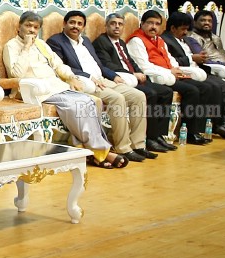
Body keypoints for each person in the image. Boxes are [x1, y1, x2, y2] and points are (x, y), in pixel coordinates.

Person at [2, 11, 126, 169]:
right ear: (19, 27)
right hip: (35, 91)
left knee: (89, 100)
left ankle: (87, 151)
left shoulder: (41, 44)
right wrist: (26, 47)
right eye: (28, 26)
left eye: (35, 27)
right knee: (77, 106)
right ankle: (101, 151)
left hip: (56, 86)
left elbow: (58, 64)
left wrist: (71, 77)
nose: (32, 30)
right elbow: (15, 74)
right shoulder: (11, 46)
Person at [47, 10, 154, 162]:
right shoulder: (56, 42)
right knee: (117, 99)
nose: (75, 26)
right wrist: (89, 76)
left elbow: (99, 65)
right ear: (64, 24)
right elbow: (61, 67)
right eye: (72, 22)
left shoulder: (86, 42)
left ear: (83, 27)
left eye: (79, 24)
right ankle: (123, 148)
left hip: (102, 80)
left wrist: (114, 76)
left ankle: (138, 145)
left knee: (138, 96)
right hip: (85, 83)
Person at [125, 9, 222, 145]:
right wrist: (170, 72)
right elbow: (144, 66)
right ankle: (169, 133)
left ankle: (194, 131)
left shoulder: (159, 40)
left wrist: (176, 68)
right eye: (150, 23)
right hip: (156, 77)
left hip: (169, 73)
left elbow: (170, 59)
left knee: (205, 87)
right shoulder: (136, 41)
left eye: (157, 24)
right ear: (142, 24)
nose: (154, 27)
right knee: (191, 90)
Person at [92, 14, 176, 152]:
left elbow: (130, 62)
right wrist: (133, 75)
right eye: (113, 23)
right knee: (151, 93)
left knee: (166, 92)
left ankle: (158, 135)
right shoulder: (101, 42)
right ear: (106, 26)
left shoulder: (121, 43)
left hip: (133, 78)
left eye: (120, 24)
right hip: (122, 79)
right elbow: (107, 65)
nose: (117, 26)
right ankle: (149, 137)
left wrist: (138, 72)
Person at [163, 11, 225, 140]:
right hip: (184, 71)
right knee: (208, 87)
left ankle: (217, 123)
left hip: (199, 70)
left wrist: (201, 58)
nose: (186, 32)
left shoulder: (187, 39)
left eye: (187, 29)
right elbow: (171, 60)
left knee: (219, 86)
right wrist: (191, 57)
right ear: (172, 28)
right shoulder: (166, 40)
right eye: (183, 29)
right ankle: (201, 128)